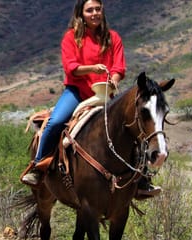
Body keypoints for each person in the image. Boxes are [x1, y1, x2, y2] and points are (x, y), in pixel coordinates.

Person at [20, 0, 160, 198]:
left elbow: (119, 67)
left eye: (98, 9)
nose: (95, 13)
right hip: (77, 92)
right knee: (56, 122)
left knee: (132, 125)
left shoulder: (113, 38)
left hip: (106, 94)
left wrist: (114, 80)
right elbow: (70, 67)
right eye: (89, 10)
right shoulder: (71, 38)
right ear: (81, 14)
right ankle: (38, 167)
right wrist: (93, 68)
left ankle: (141, 177)